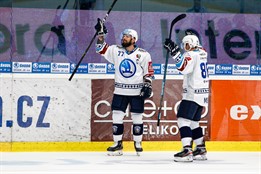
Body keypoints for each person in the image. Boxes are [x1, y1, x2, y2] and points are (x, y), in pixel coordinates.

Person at [94, 18, 154, 156]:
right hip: (120, 91)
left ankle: (138, 143)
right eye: (123, 35)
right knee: (116, 117)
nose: (124, 38)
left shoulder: (143, 54)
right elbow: (100, 49)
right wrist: (100, 34)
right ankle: (117, 144)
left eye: (127, 36)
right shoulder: (116, 50)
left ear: (134, 39)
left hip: (137, 92)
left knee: (137, 118)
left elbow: (149, 72)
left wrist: (148, 84)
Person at [164, 33, 209, 162]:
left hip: (192, 93)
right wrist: (176, 51)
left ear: (192, 44)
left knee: (183, 120)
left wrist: (175, 53)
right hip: (202, 93)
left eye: (187, 45)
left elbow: (183, 68)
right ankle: (200, 148)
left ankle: (187, 150)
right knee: (194, 122)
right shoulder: (202, 52)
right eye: (184, 45)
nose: (185, 48)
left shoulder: (191, 54)